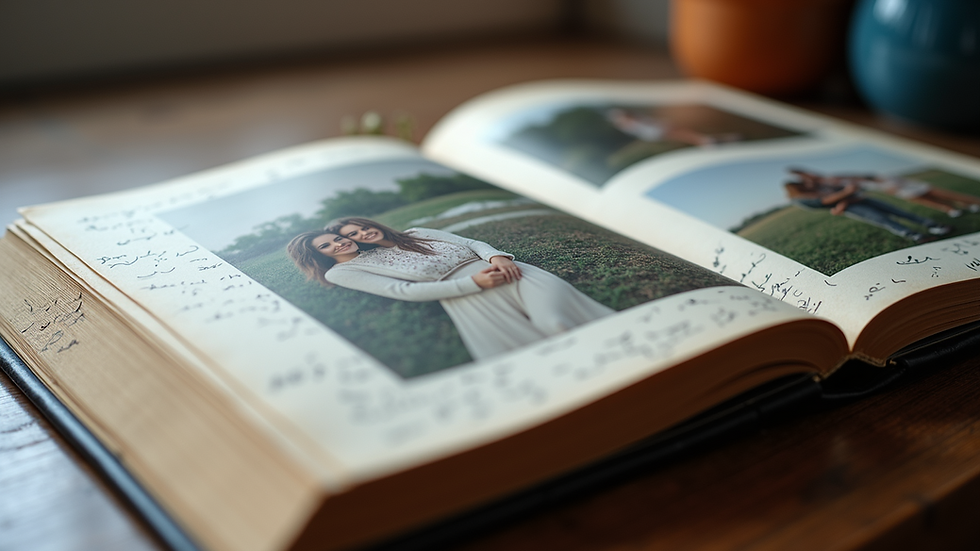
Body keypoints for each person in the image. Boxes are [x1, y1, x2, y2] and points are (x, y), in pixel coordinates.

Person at [288, 219, 613, 361]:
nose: (344, 240)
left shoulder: (414, 233)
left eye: (354, 231)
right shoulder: (344, 272)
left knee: (555, 320)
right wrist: (473, 283)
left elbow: (469, 243)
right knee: (528, 346)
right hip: (467, 295)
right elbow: (402, 291)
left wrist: (497, 257)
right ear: (321, 254)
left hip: (510, 273)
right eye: (329, 244)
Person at [784, 169, 951, 243]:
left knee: (898, 212)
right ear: (797, 189)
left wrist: (845, 197)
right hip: (854, 206)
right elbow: (827, 202)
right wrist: (847, 195)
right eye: (802, 184)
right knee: (882, 220)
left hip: (858, 199)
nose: (807, 184)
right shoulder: (802, 199)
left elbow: (826, 187)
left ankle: (934, 226)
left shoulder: (817, 186)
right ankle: (915, 235)